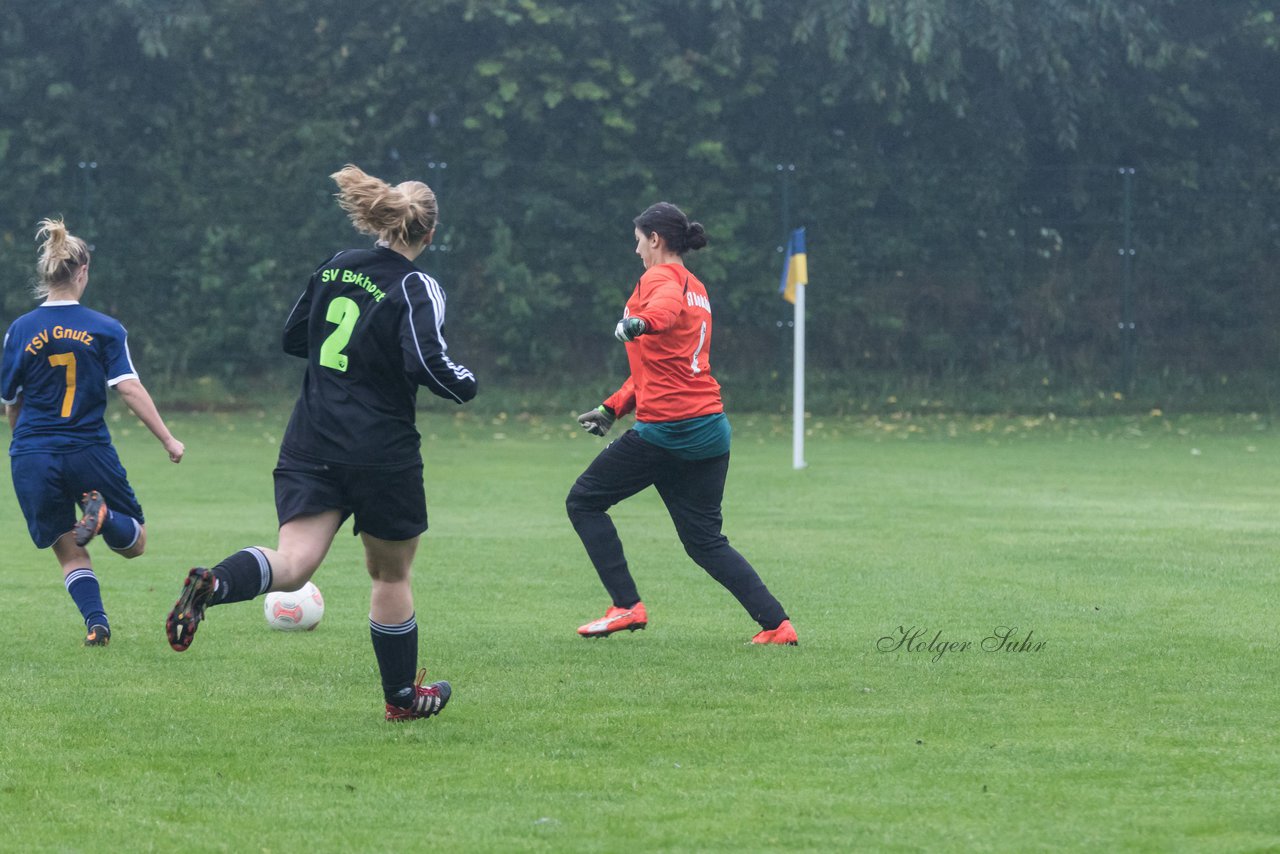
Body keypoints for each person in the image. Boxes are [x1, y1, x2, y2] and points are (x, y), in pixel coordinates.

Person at [165, 164, 478, 722]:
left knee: (293, 562)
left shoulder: (336, 266)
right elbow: (429, 361)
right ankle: (402, 700)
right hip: (380, 450)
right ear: (428, 234)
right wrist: (465, 384)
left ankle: (213, 584)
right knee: (390, 574)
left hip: (311, 439)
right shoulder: (417, 284)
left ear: (380, 224)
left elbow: (294, 336)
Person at [567, 202, 798, 645]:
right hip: (710, 429)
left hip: (668, 431)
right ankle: (777, 624)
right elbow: (663, 367)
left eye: (638, 241)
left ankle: (626, 606)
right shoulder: (697, 286)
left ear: (655, 239)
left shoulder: (662, 279)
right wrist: (612, 408)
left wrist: (639, 321)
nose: (636, 250)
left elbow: (663, 312)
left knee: (583, 502)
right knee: (705, 541)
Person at [2, 218, 185, 647]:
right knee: (135, 541)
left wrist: (23, 444)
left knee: (68, 549)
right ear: (82, 272)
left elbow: (12, 402)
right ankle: (104, 519)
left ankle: (96, 624)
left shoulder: (19, 330)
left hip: (32, 454)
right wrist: (168, 439)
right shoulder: (105, 328)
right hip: (87, 449)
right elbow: (128, 387)